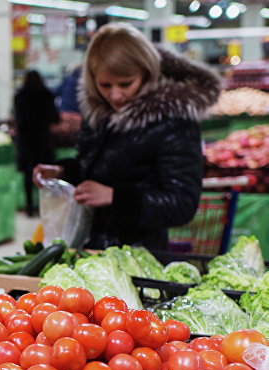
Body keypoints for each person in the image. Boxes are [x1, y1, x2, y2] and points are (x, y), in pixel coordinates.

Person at [33, 23, 221, 250]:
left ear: (146, 72)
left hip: (141, 256)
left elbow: (182, 204)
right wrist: (64, 172)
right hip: (92, 248)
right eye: (105, 85)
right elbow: (100, 168)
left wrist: (116, 197)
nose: (115, 94)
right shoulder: (100, 112)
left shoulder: (173, 120)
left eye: (126, 84)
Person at [14, 70, 60, 217]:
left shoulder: (20, 96)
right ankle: (45, 207)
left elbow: (18, 121)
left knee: (29, 175)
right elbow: (55, 118)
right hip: (43, 140)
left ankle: (29, 207)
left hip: (26, 141)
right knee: (46, 176)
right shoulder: (46, 95)